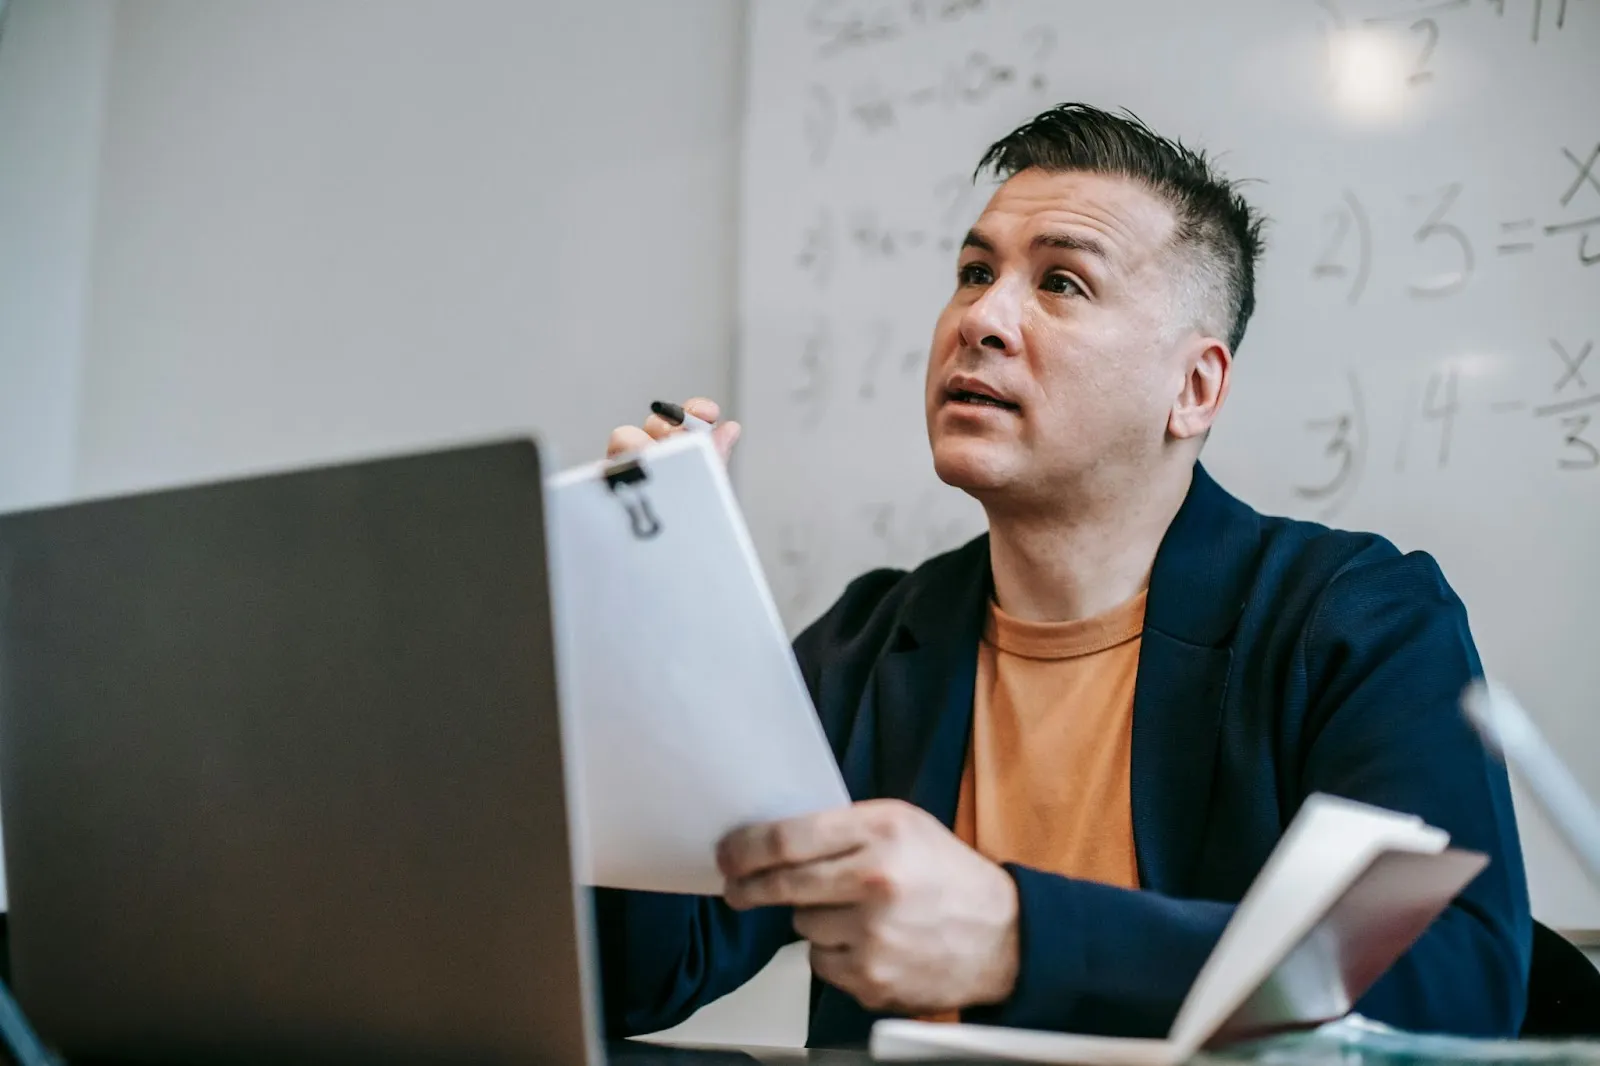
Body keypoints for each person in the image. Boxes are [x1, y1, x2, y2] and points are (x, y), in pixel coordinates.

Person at [599, 104, 1531, 1045]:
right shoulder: (877, 641)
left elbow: (1455, 977)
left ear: (1193, 389)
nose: (982, 319)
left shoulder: (1356, 618)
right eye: (973, 273)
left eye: (1061, 283)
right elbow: (638, 973)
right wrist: (668, 602)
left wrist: (1019, 938)